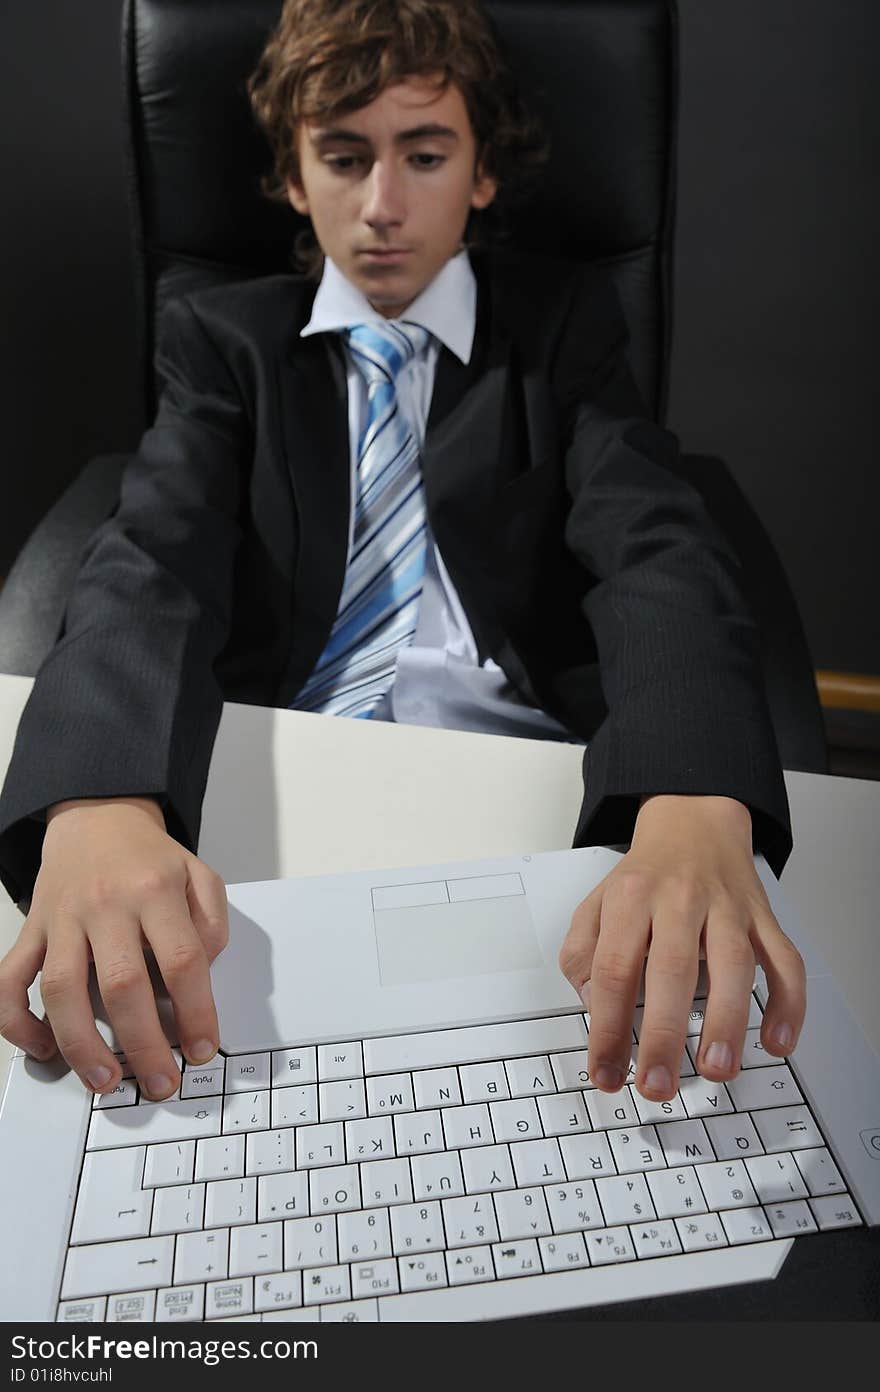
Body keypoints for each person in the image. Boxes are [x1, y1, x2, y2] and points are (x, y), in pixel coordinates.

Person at [0, 0, 805, 1111]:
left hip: (519, 784)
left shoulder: (561, 328)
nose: (382, 206)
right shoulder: (227, 342)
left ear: (481, 173)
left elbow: (652, 546)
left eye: (424, 156)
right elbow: (153, 554)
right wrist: (95, 800)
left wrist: (691, 790)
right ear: (291, 175)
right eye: (342, 158)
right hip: (293, 774)